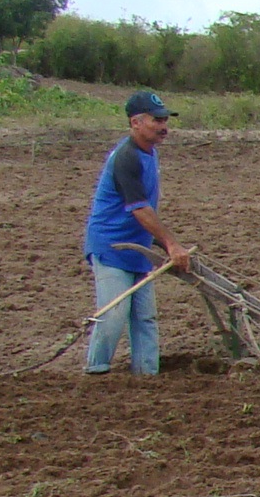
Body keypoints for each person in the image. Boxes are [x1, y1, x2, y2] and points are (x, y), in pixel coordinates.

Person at [82, 89, 192, 375]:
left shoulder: (150, 154)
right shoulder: (126, 157)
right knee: (114, 314)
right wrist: (171, 244)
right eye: (156, 120)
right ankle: (96, 371)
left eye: (165, 120)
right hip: (112, 246)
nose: (163, 127)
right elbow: (140, 209)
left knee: (145, 317)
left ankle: (147, 375)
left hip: (138, 246)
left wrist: (164, 244)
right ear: (135, 123)